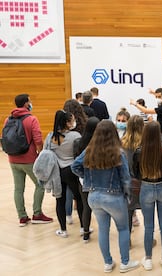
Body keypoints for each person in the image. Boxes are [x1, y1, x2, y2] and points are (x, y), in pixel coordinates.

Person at [71, 120, 139, 273]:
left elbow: (74, 166)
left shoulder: (89, 150)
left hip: (93, 197)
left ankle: (108, 263)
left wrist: (86, 178)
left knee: (103, 229)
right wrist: (128, 196)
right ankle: (125, 263)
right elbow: (126, 178)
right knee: (122, 229)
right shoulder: (119, 153)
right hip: (114, 197)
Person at [4, 94, 52, 226]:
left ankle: (22, 217)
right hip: (29, 158)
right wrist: (41, 154)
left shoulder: (8, 119)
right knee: (40, 185)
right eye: (30, 101)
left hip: (13, 159)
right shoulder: (31, 119)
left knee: (18, 189)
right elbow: (37, 139)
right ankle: (37, 214)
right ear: (26, 104)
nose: (31, 103)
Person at [132, 121, 162, 271]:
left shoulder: (139, 151)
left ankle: (148, 259)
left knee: (149, 227)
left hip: (146, 188)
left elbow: (135, 172)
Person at [50, 110, 83, 238]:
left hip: (57, 172)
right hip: (71, 170)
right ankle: (83, 227)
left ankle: (63, 230)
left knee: (60, 200)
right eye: (73, 120)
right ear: (68, 123)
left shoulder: (51, 137)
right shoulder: (75, 136)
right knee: (79, 198)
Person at [73, 116, 100, 243]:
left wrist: (82, 175)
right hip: (98, 180)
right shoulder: (99, 144)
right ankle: (104, 230)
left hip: (83, 180)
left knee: (85, 207)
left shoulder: (78, 142)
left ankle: (85, 232)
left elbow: (75, 161)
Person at [121, 115, 145, 233]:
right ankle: (148, 239)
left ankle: (127, 239)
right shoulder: (146, 143)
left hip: (127, 182)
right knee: (147, 212)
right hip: (144, 182)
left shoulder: (122, 143)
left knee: (128, 212)